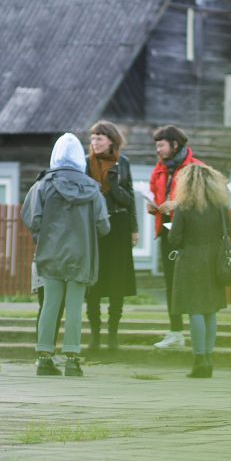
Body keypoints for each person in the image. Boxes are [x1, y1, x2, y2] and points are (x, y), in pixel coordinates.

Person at [22, 133, 110, 377]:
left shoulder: (42, 185)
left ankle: (44, 358)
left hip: (50, 253)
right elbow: (104, 226)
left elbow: (32, 218)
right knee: (74, 307)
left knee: (50, 304)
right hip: (82, 254)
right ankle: (72, 359)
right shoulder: (93, 188)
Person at [168, 164, 230, 378]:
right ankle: (209, 358)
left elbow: (174, 238)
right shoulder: (219, 206)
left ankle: (199, 359)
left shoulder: (184, 206)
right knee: (210, 310)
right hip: (214, 260)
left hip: (191, 260)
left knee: (195, 309)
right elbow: (227, 231)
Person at [84, 121, 138, 352]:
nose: (95, 142)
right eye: (93, 138)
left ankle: (112, 336)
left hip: (119, 225)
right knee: (93, 281)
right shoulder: (85, 164)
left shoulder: (122, 163)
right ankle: (95, 336)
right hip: (94, 227)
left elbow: (129, 198)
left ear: (111, 141)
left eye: (100, 138)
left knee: (117, 281)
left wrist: (134, 228)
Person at [147, 125, 203, 349]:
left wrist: (178, 204)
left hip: (191, 235)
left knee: (192, 282)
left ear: (174, 145)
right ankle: (176, 332)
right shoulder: (159, 170)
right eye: (156, 145)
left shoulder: (196, 168)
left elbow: (205, 199)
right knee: (171, 283)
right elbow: (154, 193)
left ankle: (198, 332)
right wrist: (154, 207)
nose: (157, 150)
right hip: (167, 231)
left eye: (160, 145)